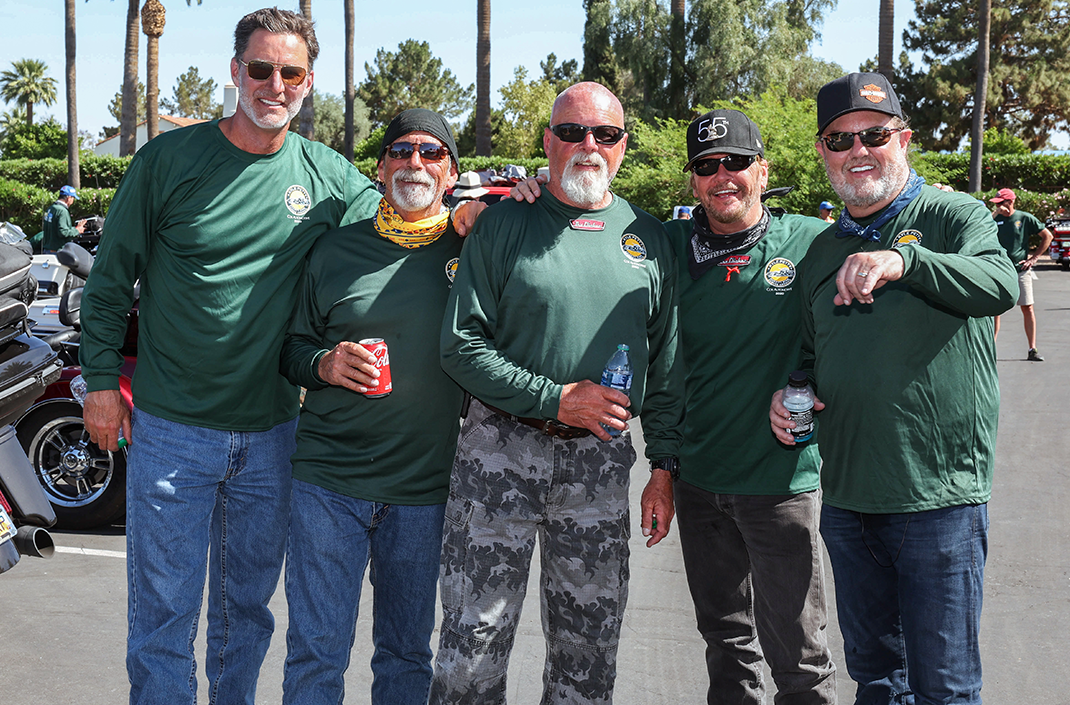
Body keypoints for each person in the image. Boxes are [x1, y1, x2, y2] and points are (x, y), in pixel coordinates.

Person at [81, 8, 392, 705]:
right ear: (236, 73)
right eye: (260, 69)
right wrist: (100, 383)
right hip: (170, 433)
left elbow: (404, 219)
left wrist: (474, 214)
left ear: (309, 83)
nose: (273, 84)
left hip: (273, 436)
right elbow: (107, 285)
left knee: (244, 618)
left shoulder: (326, 175)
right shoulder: (168, 161)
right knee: (162, 621)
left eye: (290, 72)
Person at [432, 81, 684, 704]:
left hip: (599, 464)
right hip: (499, 452)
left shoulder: (649, 238)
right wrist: (554, 398)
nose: (587, 146)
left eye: (605, 134)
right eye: (571, 132)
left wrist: (665, 468)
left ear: (624, 145)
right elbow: (459, 346)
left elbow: (670, 368)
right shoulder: (504, 223)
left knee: (587, 659)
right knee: (470, 654)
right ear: (548, 141)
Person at [769, 72, 1017, 705]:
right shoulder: (823, 251)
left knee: (945, 686)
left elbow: (998, 284)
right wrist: (791, 392)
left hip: (938, 498)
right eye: (839, 139)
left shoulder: (951, 215)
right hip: (850, 501)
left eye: (873, 135)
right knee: (877, 679)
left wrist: (905, 261)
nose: (858, 151)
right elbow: (807, 353)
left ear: (902, 139)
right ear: (823, 152)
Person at [277, 109, 465, 705]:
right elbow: (290, 348)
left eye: (432, 153)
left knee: (407, 654)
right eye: (402, 151)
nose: (415, 162)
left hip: (425, 488)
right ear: (381, 167)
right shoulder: (334, 250)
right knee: (317, 652)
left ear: (452, 175)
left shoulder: (476, 247)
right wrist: (324, 365)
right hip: (329, 483)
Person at [665, 108, 836, 704]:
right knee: (727, 646)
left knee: (799, 655)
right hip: (699, 480)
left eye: (736, 163)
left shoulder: (811, 241)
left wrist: (809, 380)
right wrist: (496, 204)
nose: (722, 176)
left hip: (780, 484)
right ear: (693, 182)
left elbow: (852, 330)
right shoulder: (667, 249)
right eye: (707, 167)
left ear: (763, 170)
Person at [989, 188, 1051, 361]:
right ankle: (991, 348)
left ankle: (1032, 349)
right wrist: (995, 213)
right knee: (995, 309)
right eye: (997, 204)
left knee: (1027, 307)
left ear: (1011, 202)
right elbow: (981, 226)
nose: (1000, 207)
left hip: (1020, 269)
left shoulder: (1024, 218)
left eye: (1002, 203)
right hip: (999, 269)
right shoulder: (994, 219)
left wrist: (1035, 257)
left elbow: (1047, 235)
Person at [42, 185, 86, 253]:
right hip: (57, 252)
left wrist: (75, 228)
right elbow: (63, 232)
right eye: (73, 198)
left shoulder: (51, 208)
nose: (73, 201)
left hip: (47, 250)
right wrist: (77, 230)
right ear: (69, 198)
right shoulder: (62, 211)